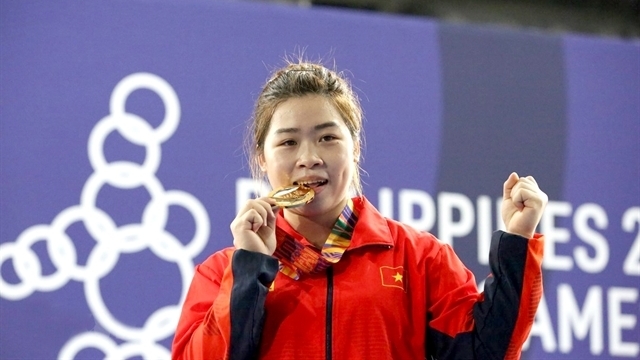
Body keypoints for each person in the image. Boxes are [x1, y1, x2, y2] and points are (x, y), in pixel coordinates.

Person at [171, 60, 548, 360]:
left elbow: (485, 353)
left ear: (354, 149)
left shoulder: (417, 258)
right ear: (262, 161)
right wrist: (250, 268)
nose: (309, 158)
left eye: (328, 138)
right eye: (288, 142)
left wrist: (517, 241)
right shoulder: (222, 272)